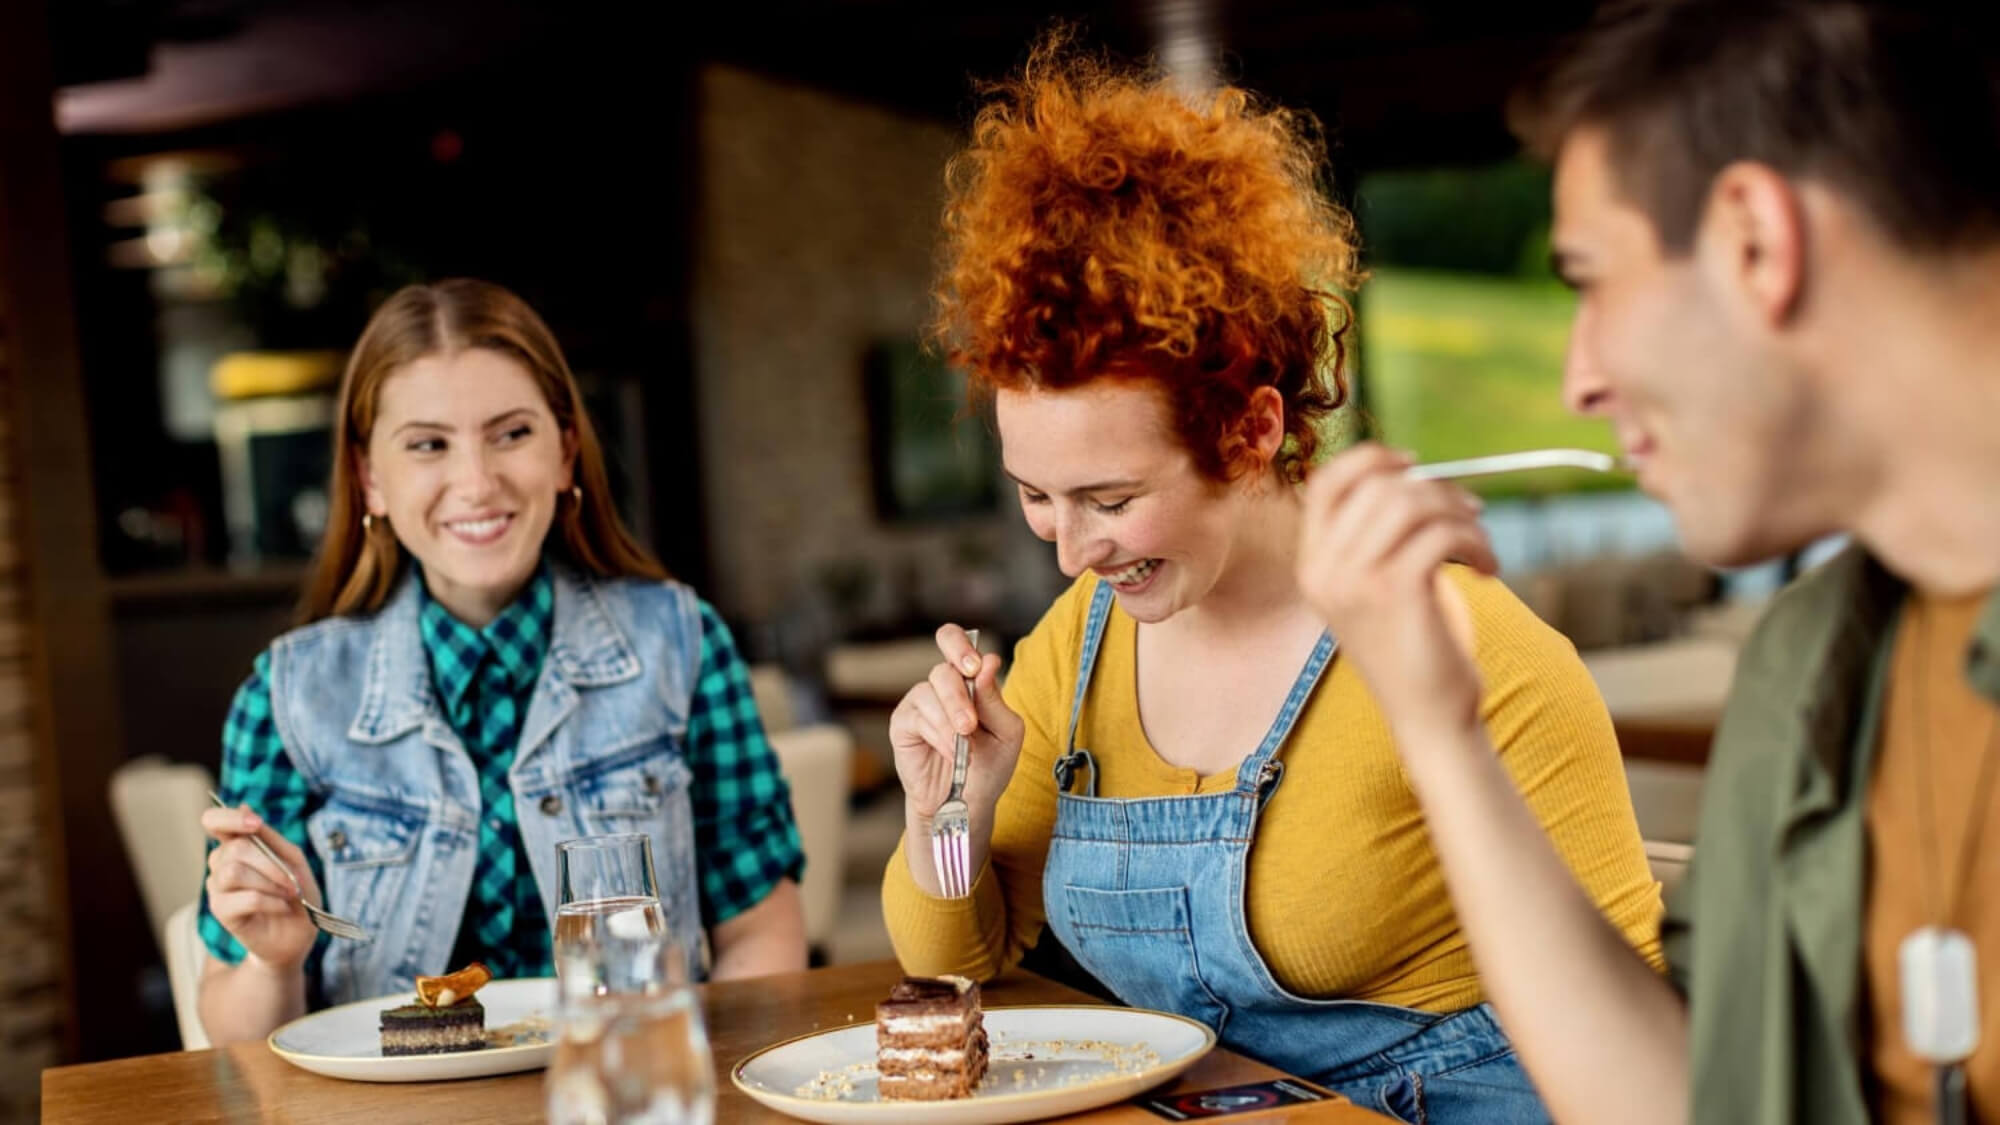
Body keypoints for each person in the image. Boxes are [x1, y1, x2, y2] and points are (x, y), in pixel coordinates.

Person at [879, 40, 1662, 1124]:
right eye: (1035, 497)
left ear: (1252, 430)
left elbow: (1636, 1060)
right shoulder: (1077, 646)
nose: (1068, 554)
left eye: (1109, 502)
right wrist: (945, 816)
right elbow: (950, 963)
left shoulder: (1474, 652)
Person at [1296, 2, 2000, 1122]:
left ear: (1753, 242)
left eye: (1586, 278)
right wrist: (1437, 729)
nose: (1576, 378)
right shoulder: (1804, 667)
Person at [198, 279, 806, 1044]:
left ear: (564, 449)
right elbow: (234, 1033)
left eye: (511, 433)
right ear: (370, 478)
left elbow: (763, 933)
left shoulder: (683, 645)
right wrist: (274, 964)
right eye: (428, 444)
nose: (477, 482)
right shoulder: (285, 697)